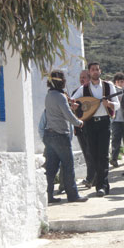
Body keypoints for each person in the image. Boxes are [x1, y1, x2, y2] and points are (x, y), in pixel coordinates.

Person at [71, 62, 120, 197]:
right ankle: (99, 183)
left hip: (104, 122)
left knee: (103, 155)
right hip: (90, 124)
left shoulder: (109, 86)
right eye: (92, 70)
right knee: (93, 155)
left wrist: (109, 103)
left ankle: (102, 186)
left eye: (97, 69)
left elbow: (117, 105)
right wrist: (75, 106)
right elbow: (74, 101)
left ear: (100, 71)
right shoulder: (84, 88)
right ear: (89, 72)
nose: (95, 72)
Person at [43, 70, 88, 203]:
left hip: (49, 134)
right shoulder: (60, 96)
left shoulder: (49, 95)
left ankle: (48, 195)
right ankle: (73, 195)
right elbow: (68, 115)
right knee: (68, 165)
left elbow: (59, 110)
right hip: (60, 135)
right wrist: (79, 122)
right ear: (61, 82)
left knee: (51, 168)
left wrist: (68, 103)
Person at [71, 70, 95, 189]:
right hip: (80, 128)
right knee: (86, 153)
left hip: (92, 126)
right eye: (80, 77)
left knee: (92, 153)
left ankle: (91, 178)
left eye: (84, 77)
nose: (82, 79)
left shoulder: (92, 92)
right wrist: (75, 127)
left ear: (89, 79)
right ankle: (91, 177)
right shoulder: (76, 92)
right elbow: (73, 111)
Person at [110, 72, 124, 168]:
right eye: (118, 81)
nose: (120, 83)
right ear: (115, 82)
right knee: (116, 140)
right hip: (115, 120)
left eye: (122, 81)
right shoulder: (113, 92)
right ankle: (114, 159)